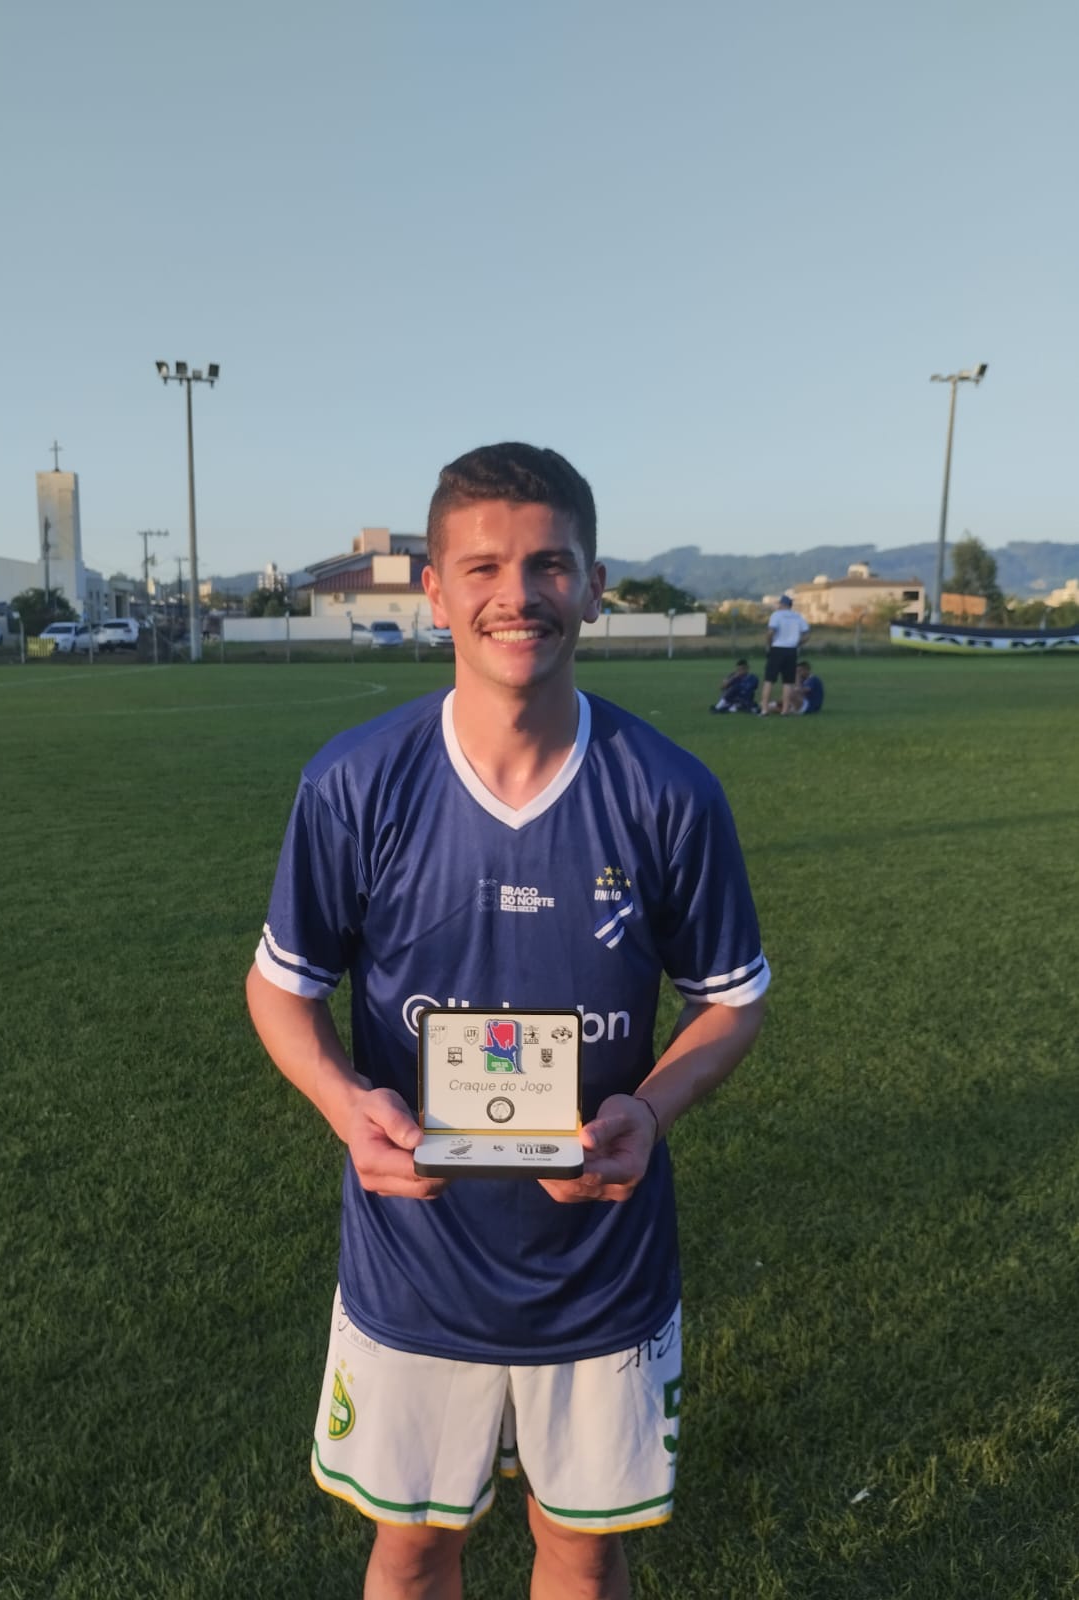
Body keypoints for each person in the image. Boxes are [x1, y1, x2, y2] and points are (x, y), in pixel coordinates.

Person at [247, 443, 769, 1600]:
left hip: (601, 1271)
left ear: (593, 586)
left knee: (582, 1550)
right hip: (413, 1264)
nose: (516, 595)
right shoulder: (355, 781)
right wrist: (345, 1104)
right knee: (412, 1548)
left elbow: (731, 997)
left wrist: (649, 1109)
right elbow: (279, 985)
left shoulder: (670, 792)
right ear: (433, 591)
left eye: (548, 564)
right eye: (482, 567)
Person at [759, 595, 810, 716]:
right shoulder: (798, 616)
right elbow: (807, 635)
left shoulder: (776, 615)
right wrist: (797, 643)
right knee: (788, 682)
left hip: (777, 648)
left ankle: (764, 709)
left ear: (782, 604)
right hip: (791, 650)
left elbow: (770, 632)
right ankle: (785, 710)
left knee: (769, 679)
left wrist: (769, 644)